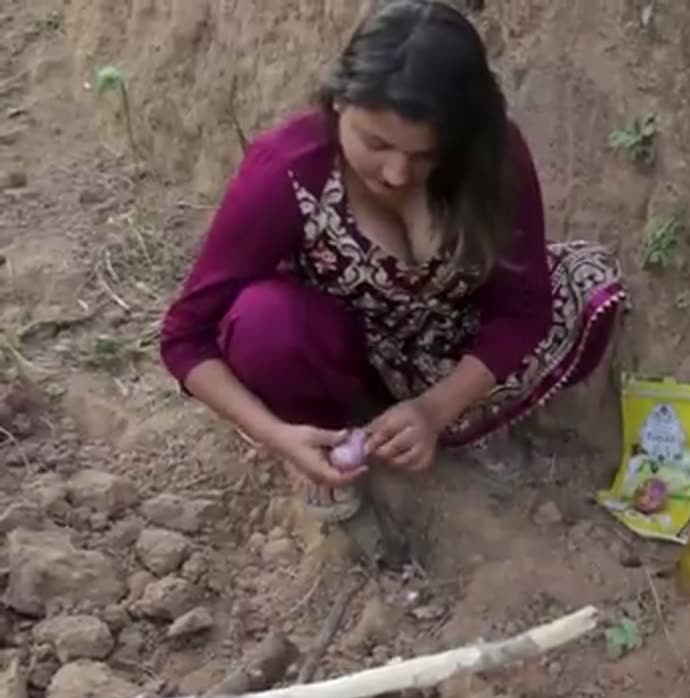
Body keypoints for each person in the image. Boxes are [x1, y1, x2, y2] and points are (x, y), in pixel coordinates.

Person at [159, 0, 625, 524]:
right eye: (375, 143)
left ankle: (461, 416)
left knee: (590, 282)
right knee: (264, 322)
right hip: (333, 349)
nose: (397, 174)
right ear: (338, 103)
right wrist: (277, 435)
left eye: (426, 156)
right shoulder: (288, 172)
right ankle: (321, 440)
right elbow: (184, 337)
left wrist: (436, 408)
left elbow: (524, 306)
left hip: (448, 345)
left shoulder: (491, 159)